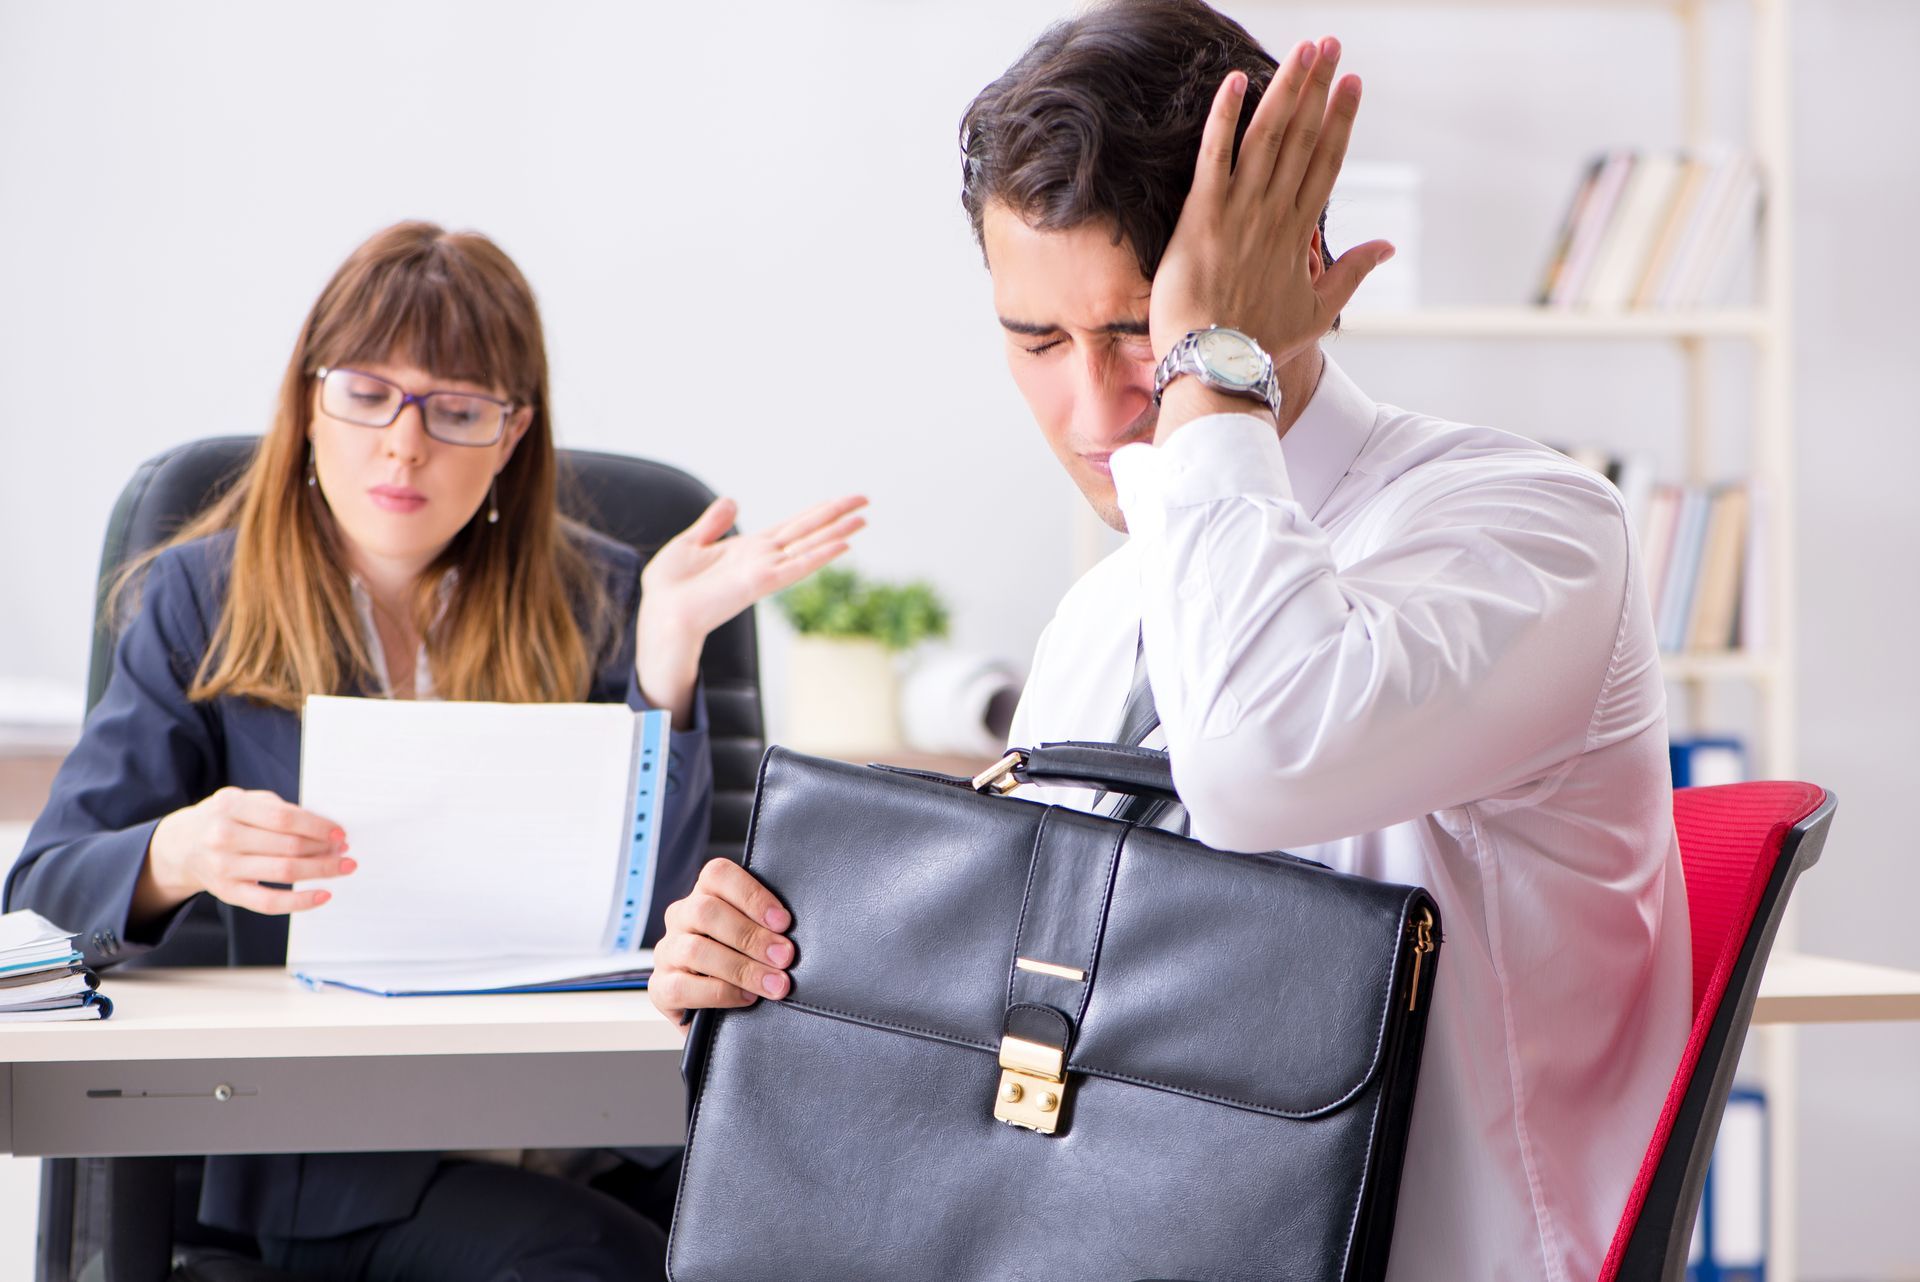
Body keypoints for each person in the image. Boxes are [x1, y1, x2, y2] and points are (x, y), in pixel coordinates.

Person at [647, 4, 1691, 1280]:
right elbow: (1060, 990)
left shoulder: (1534, 532)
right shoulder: (1108, 609)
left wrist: (1222, 365)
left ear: (1283, 270)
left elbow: (1256, 767)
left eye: (1144, 332)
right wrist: (778, 954)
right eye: (1036, 341)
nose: (1092, 410)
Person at [6, 220, 865, 1281]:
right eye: (368, 394)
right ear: (308, 404)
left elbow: (666, 929)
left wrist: (664, 665)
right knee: (592, 1263)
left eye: (455, 410)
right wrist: (175, 853)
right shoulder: (204, 595)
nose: (403, 444)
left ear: (510, 438)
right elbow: (35, 900)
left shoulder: (599, 593)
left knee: (811, 1235)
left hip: (585, 1118)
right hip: (337, 1151)